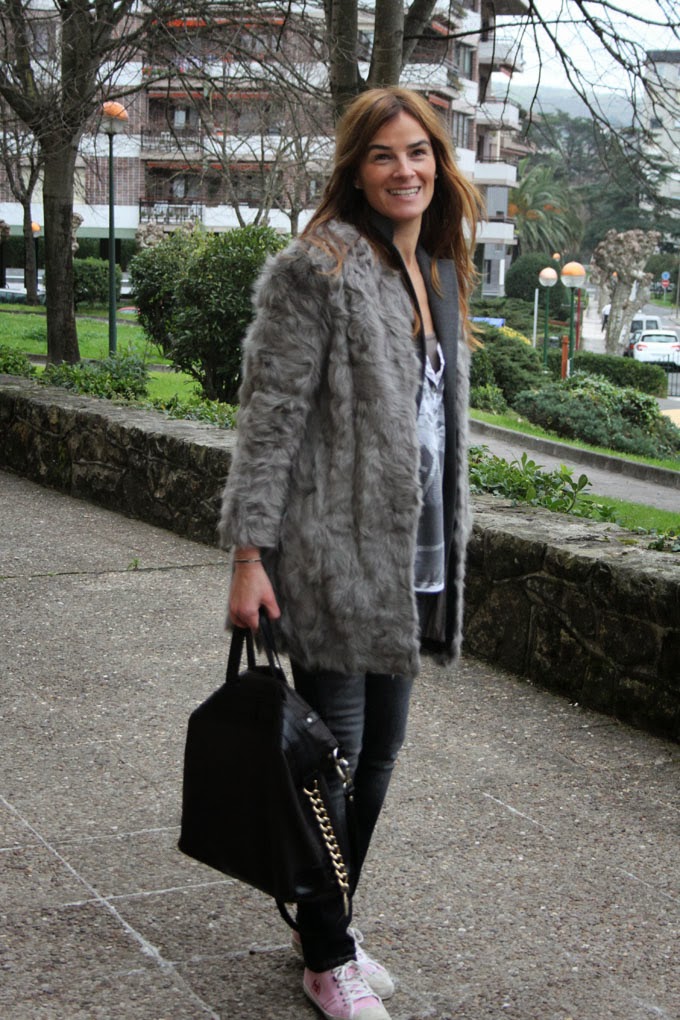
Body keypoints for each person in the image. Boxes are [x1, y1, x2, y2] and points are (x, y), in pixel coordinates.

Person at [219, 86, 483, 1020]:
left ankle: (323, 923)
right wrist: (249, 556)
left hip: (413, 559)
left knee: (379, 759)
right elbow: (269, 422)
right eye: (382, 154)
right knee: (333, 759)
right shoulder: (318, 267)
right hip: (332, 555)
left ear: (439, 162)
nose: (404, 169)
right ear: (355, 169)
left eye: (418, 151)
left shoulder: (438, 268)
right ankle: (329, 956)